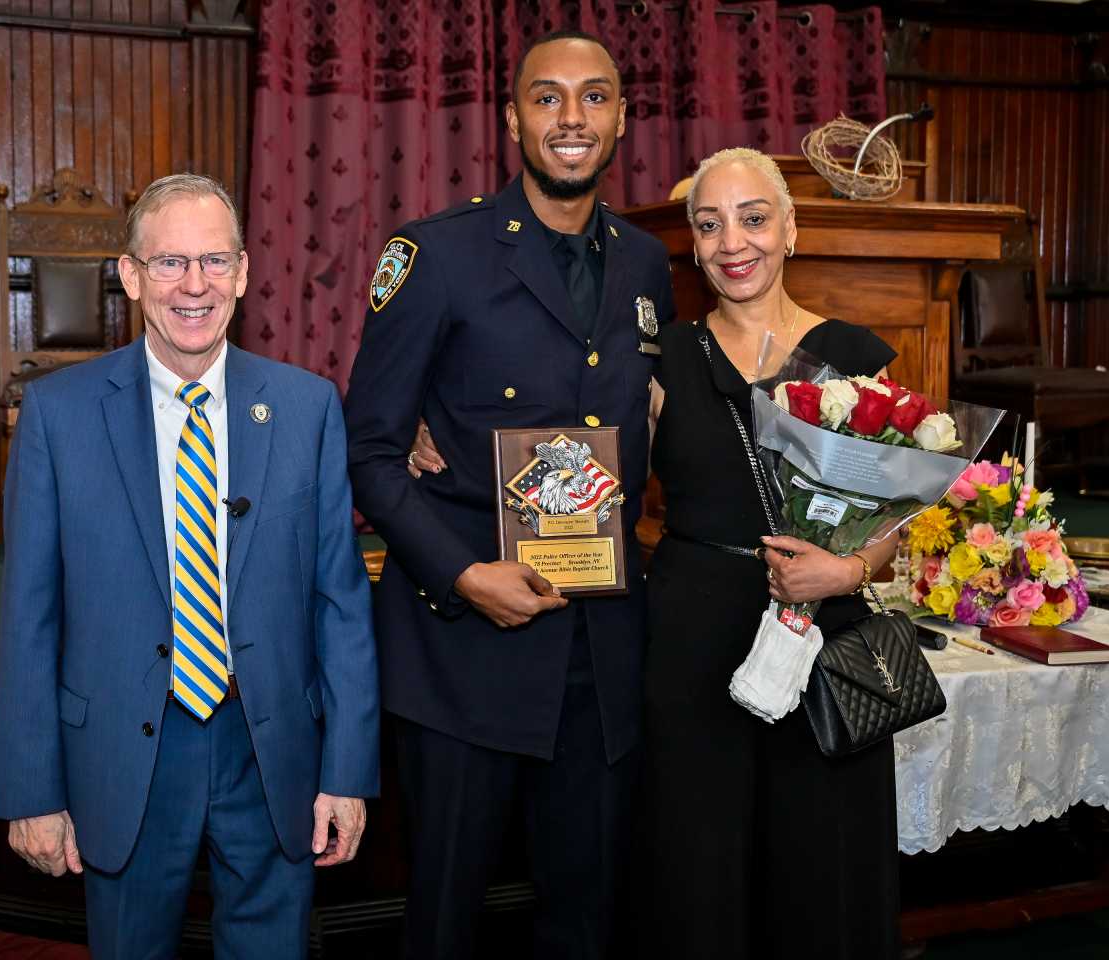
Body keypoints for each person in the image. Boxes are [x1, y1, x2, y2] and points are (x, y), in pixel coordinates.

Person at [344, 30, 675, 960]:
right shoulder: (434, 254)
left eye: (594, 97)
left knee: (587, 923)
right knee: (444, 922)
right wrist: (461, 575)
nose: (572, 118)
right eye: (547, 97)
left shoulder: (649, 264)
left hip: (601, 654)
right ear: (512, 119)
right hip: (463, 655)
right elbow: (368, 451)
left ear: (621, 120)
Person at [0, 173, 380, 958]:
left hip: (270, 751)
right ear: (132, 276)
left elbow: (339, 603)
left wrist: (348, 773)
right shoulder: (59, 415)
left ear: (241, 272)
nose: (193, 285)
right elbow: (30, 617)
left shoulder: (305, 407)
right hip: (124, 754)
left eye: (213, 261)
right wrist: (32, 791)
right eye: (169, 262)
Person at [638, 147, 902, 958]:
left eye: (753, 219)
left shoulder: (857, 356)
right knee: (699, 868)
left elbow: (893, 522)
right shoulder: (661, 361)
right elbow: (593, 473)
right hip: (693, 644)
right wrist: (439, 438)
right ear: (692, 244)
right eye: (709, 225)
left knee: (822, 868)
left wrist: (847, 569)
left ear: (790, 230)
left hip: (825, 638)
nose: (733, 242)